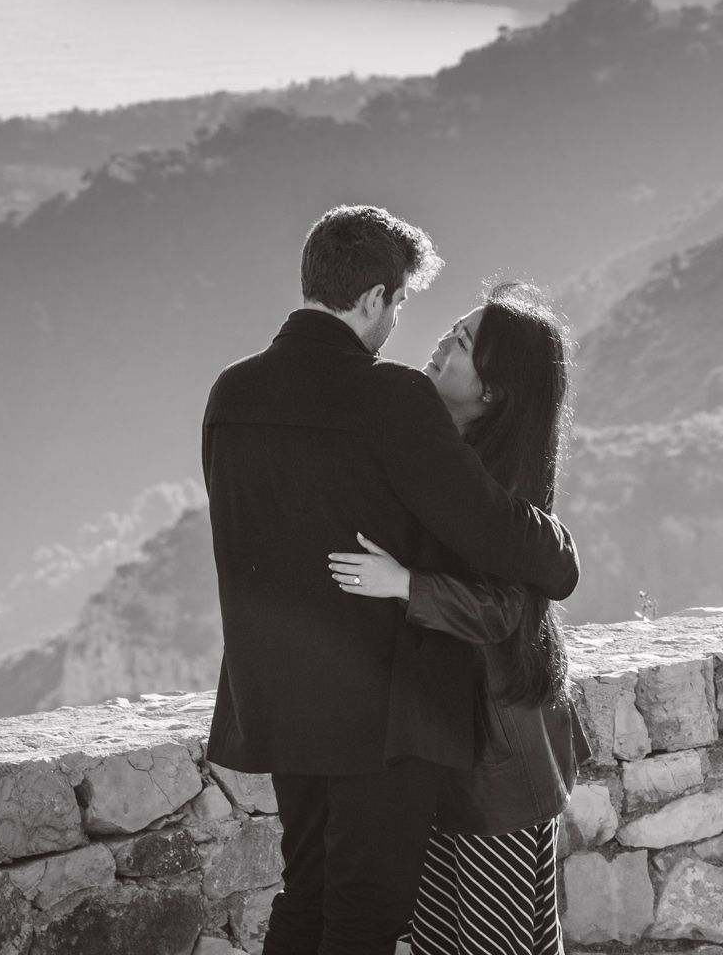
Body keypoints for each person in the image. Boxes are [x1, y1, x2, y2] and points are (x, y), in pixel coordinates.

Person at [202, 207, 580, 955]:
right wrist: (556, 550)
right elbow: (504, 539)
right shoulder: (389, 398)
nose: (403, 322)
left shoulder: (230, 394)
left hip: (277, 698)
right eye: (400, 301)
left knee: (304, 893)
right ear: (372, 297)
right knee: (365, 916)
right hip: (382, 715)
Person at [329, 282, 585, 955]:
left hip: (496, 757)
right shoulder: (446, 459)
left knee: (495, 942)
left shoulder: (494, 485)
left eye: (464, 342)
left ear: (493, 391)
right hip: (452, 748)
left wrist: (404, 585)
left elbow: (506, 608)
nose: (444, 340)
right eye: (453, 328)